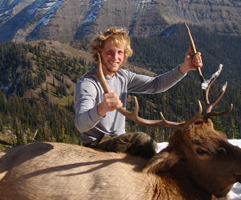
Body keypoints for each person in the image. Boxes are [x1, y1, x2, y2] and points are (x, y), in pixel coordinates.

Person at [74, 27, 203, 158]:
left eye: (120, 52)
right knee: (143, 142)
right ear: (99, 52)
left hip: (118, 139)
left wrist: (185, 67)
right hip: (97, 144)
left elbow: (155, 85)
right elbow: (80, 125)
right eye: (109, 52)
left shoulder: (122, 76)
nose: (115, 57)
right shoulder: (88, 83)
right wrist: (101, 109)